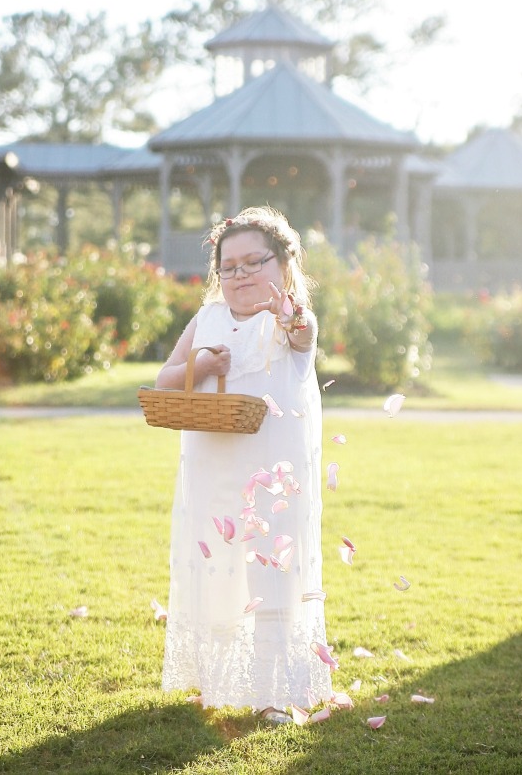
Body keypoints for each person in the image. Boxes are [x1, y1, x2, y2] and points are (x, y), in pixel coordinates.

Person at [156, 206, 332, 723]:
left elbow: (301, 333)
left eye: (254, 261)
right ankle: (218, 681)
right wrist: (204, 363)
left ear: (284, 263)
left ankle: (273, 691)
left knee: (271, 572)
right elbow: (167, 378)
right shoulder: (206, 319)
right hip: (213, 469)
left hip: (273, 475)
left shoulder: (290, 320)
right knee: (218, 566)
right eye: (229, 267)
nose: (241, 275)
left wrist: (289, 313)